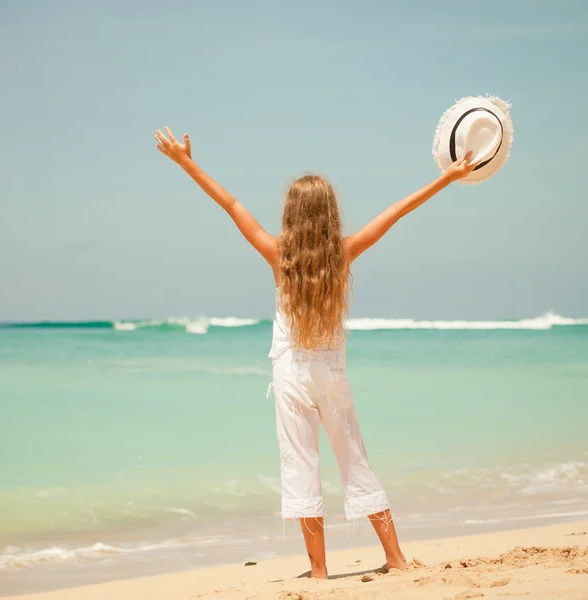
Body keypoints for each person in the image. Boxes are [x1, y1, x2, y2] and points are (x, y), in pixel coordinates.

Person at [154, 126, 475, 578]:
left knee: (301, 466)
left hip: (291, 375)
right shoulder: (344, 254)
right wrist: (447, 177)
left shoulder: (276, 254)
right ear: (330, 215)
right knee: (355, 459)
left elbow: (229, 204)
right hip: (331, 373)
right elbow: (397, 211)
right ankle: (397, 558)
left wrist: (185, 163)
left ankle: (320, 570)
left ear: (290, 214)